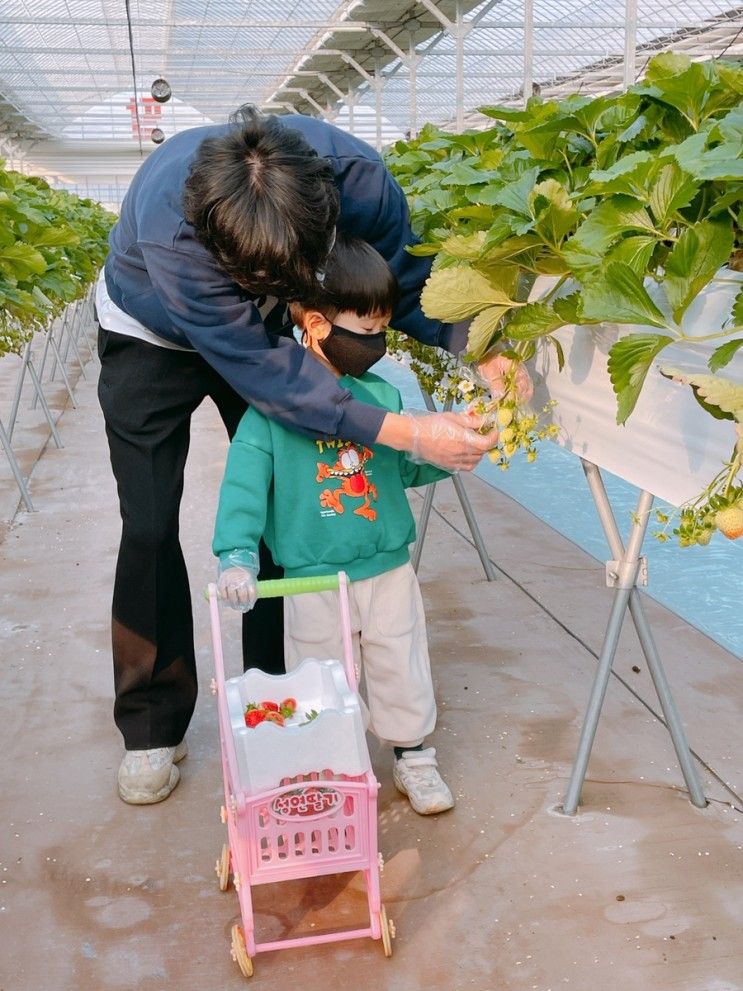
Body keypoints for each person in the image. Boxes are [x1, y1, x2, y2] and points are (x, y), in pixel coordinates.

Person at [99, 105, 498, 805]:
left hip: (263, 329)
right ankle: (151, 724)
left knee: (291, 502)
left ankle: (285, 698)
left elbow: (402, 278)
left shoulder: (360, 181)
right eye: (255, 276)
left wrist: (480, 346)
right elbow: (268, 374)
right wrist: (406, 432)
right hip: (149, 330)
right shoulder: (172, 225)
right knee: (150, 521)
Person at [214, 235, 454, 815]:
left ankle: (413, 756)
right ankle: (331, 764)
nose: (376, 344)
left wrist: (444, 450)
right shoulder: (270, 411)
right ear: (317, 324)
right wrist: (237, 555)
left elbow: (401, 467)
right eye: (366, 331)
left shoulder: (381, 394)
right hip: (311, 578)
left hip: (387, 564)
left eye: (382, 331)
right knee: (320, 673)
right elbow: (245, 487)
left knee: (401, 660)